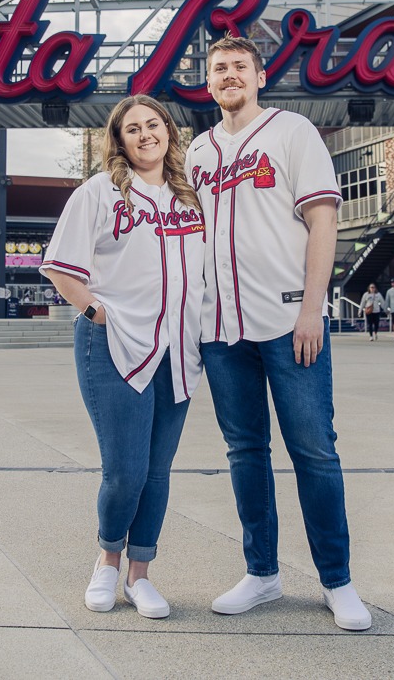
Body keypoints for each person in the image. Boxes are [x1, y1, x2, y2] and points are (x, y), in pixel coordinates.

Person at [186, 34, 371, 632]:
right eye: (219, 69)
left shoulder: (293, 132)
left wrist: (313, 309)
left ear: (260, 76)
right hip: (221, 327)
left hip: (290, 322)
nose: (229, 75)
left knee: (314, 451)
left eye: (240, 66)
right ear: (208, 82)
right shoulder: (197, 153)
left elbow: (323, 220)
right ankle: (262, 573)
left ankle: (337, 581)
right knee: (245, 452)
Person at [41, 95, 205, 621]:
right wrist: (95, 314)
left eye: (153, 125)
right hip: (113, 344)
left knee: (158, 471)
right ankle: (107, 562)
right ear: (119, 140)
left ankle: (141, 574)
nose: (144, 135)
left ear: (168, 133)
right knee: (125, 470)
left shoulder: (192, 197)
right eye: (132, 128)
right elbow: (61, 267)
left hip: (178, 347)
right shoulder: (100, 192)